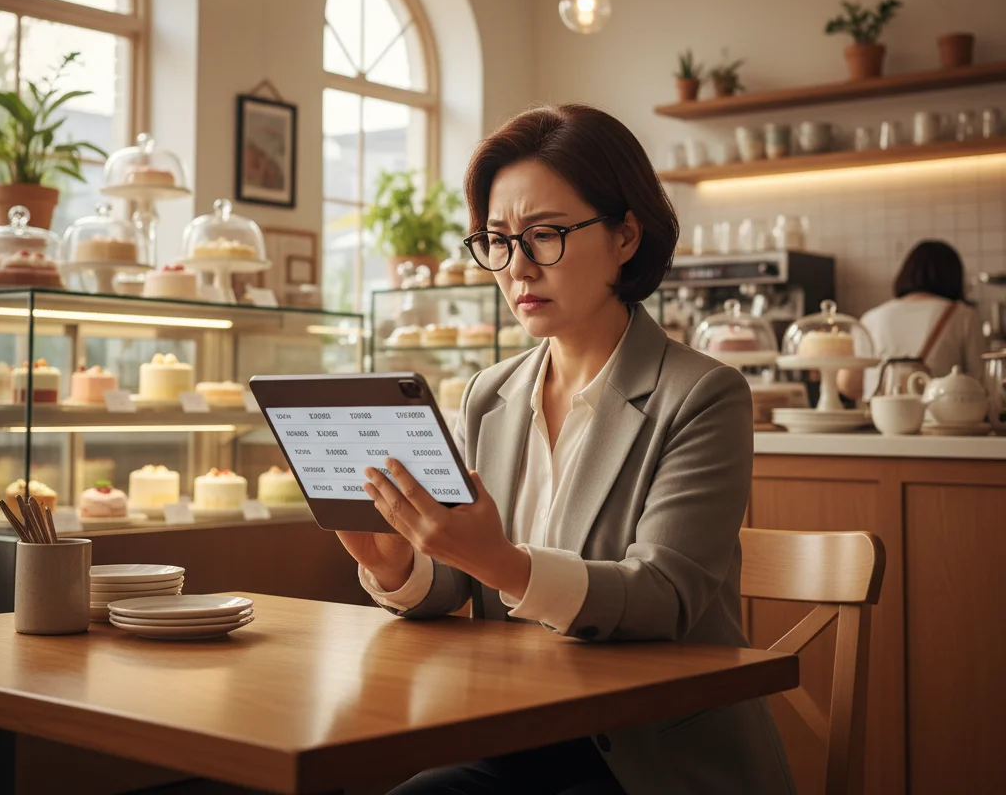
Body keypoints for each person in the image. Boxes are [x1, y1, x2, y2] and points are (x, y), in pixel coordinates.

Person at [336, 104, 795, 795]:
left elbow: (664, 596)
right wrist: (399, 565)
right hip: (511, 735)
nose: (516, 267)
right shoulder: (489, 395)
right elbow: (462, 583)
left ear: (625, 235)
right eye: (496, 240)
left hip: (651, 763)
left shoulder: (704, 394)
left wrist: (502, 561)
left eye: (544, 234)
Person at [843, 239, 986, 402]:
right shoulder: (964, 315)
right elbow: (981, 380)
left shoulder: (870, 318)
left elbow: (850, 385)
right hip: (939, 419)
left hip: (879, 419)